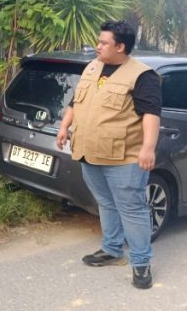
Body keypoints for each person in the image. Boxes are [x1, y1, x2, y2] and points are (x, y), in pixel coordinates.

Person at [56, 20, 161, 289]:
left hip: (124, 157)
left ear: (121, 46)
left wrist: (148, 148)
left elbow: (151, 114)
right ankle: (112, 250)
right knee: (106, 202)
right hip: (89, 152)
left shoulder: (142, 75)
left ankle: (140, 264)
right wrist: (64, 126)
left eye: (103, 42)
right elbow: (76, 102)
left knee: (133, 208)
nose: (97, 46)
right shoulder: (93, 67)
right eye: (98, 41)